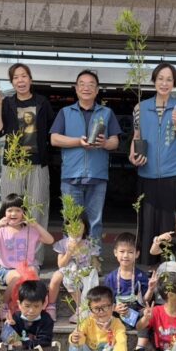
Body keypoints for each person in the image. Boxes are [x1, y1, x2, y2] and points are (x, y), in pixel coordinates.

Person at [0, 63, 55, 265]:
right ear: (12, 82)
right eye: (16, 77)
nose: (21, 80)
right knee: (11, 209)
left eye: (24, 76)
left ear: (30, 79)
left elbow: (52, 131)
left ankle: (34, 259)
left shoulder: (42, 102)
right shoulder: (7, 103)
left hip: (38, 163)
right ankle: (8, 257)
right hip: (13, 164)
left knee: (37, 209)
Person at [129, 63, 176, 266]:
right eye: (160, 79)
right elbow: (136, 136)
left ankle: (171, 264)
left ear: (174, 83)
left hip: (173, 173)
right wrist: (132, 155)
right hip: (146, 173)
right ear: (154, 81)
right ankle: (147, 265)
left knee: (171, 222)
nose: (164, 83)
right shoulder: (140, 108)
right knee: (147, 222)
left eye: (169, 79)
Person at [50, 69, 122, 241]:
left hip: (97, 176)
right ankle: (71, 257)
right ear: (76, 89)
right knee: (71, 222)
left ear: (97, 90)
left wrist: (104, 143)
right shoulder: (65, 112)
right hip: (71, 177)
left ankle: (93, 256)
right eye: (82, 84)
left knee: (95, 222)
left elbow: (115, 141)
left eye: (91, 85)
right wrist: (78, 141)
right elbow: (54, 139)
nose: (86, 88)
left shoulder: (106, 113)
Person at [0, 193, 55, 317]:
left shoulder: (30, 230)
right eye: (10, 210)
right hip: (7, 270)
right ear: (4, 212)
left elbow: (50, 240)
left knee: (31, 275)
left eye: (18, 210)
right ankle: (5, 305)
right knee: (19, 277)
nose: (13, 213)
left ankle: (35, 306)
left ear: (24, 213)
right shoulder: (1, 231)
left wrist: (35, 224)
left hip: (29, 267)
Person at [49, 211, 100, 323]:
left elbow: (95, 262)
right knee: (56, 277)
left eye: (78, 226)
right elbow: (61, 265)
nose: (75, 230)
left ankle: (81, 309)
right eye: (71, 226)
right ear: (66, 228)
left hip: (83, 271)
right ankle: (51, 306)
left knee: (88, 278)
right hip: (67, 270)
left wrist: (95, 265)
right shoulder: (63, 243)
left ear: (85, 228)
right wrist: (69, 252)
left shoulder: (89, 244)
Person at [103, 232, 151, 329]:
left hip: (136, 314)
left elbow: (145, 301)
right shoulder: (110, 278)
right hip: (116, 314)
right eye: (122, 251)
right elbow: (105, 301)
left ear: (137, 254)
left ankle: (141, 334)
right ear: (115, 252)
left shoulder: (141, 276)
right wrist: (115, 308)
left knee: (148, 314)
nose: (125, 255)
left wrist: (151, 288)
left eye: (130, 252)